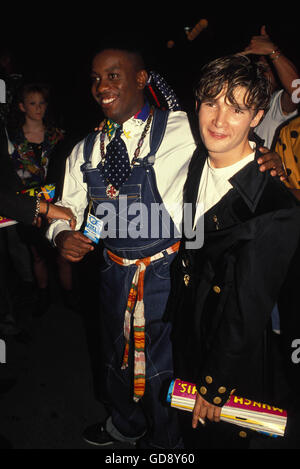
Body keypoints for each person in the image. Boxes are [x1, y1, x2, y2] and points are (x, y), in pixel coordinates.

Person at [46, 46, 287, 449]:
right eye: (96, 78)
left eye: (114, 75)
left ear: (142, 79)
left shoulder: (183, 127)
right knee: (116, 353)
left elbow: (230, 141)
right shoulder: (84, 149)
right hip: (112, 272)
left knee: (167, 367)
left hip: (169, 270)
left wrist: (266, 157)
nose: (102, 86)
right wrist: (61, 235)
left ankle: (169, 444)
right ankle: (125, 423)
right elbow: (65, 207)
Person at [167, 54, 300, 449]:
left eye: (237, 108)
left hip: (230, 358)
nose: (219, 121)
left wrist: (214, 385)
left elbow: (246, 312)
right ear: (197, 103)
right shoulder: (196, 161)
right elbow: (192, 243)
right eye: (212, 102)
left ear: (257, 116)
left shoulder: (275, 209)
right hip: (189, 328)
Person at [6, 82, 75, 312]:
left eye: (42, 103)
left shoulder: (58, 135)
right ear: (22, 106)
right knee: (36, 256)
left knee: (63, 254)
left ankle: (69, 299)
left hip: (57, 202)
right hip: (26, 205)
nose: (38, 108)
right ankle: (43, 295)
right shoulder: (12, 141)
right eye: (33, 103)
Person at [241, 25, 299, 150]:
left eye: (264, 69)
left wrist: (273, 51)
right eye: (257, 68)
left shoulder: (276, 105)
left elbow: (297, 94)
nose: (259, 73)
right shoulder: (243, 103)